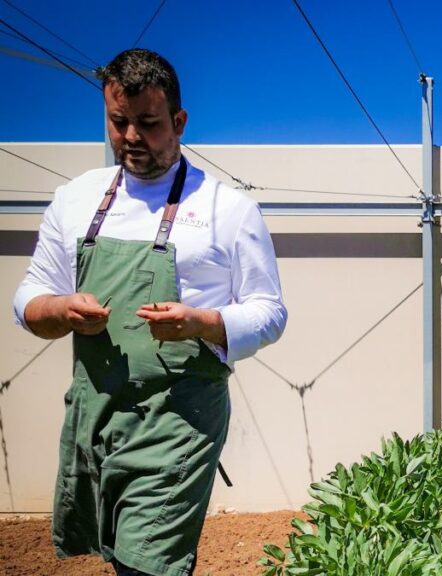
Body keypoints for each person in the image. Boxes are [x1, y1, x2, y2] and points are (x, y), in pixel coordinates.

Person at [11, 48, 287, 576]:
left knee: (151, 565)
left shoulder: (225, 209)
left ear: (179, 121)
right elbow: (29, 299)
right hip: (95, 414)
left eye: (148, 123)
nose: (131, 137)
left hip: (179, 420)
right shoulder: (75, 200)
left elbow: (269, 312)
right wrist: (62, 308)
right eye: (119, 122)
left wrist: (201, 322)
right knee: (119, 556)